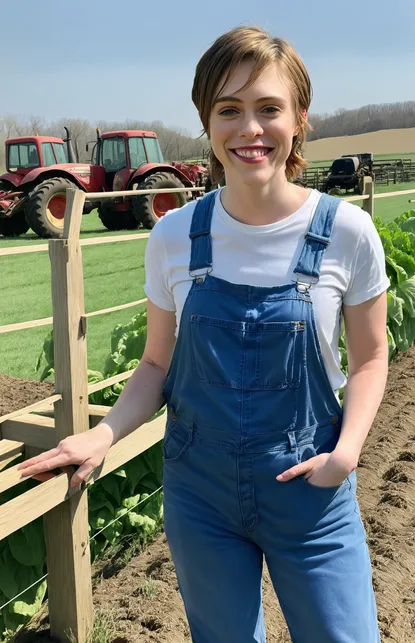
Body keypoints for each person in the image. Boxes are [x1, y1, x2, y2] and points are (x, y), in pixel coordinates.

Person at [19, 25, 390, 642]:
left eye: (268, 108)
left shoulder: (346, 232)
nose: (250, 128)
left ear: (298, 119)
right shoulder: (173, 237)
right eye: (229, 110)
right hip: (201, 497)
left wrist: (346, 453)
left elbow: (372, 359)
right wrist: (103, 435)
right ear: (207, 122)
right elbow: (156, 367)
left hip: (310, 488)